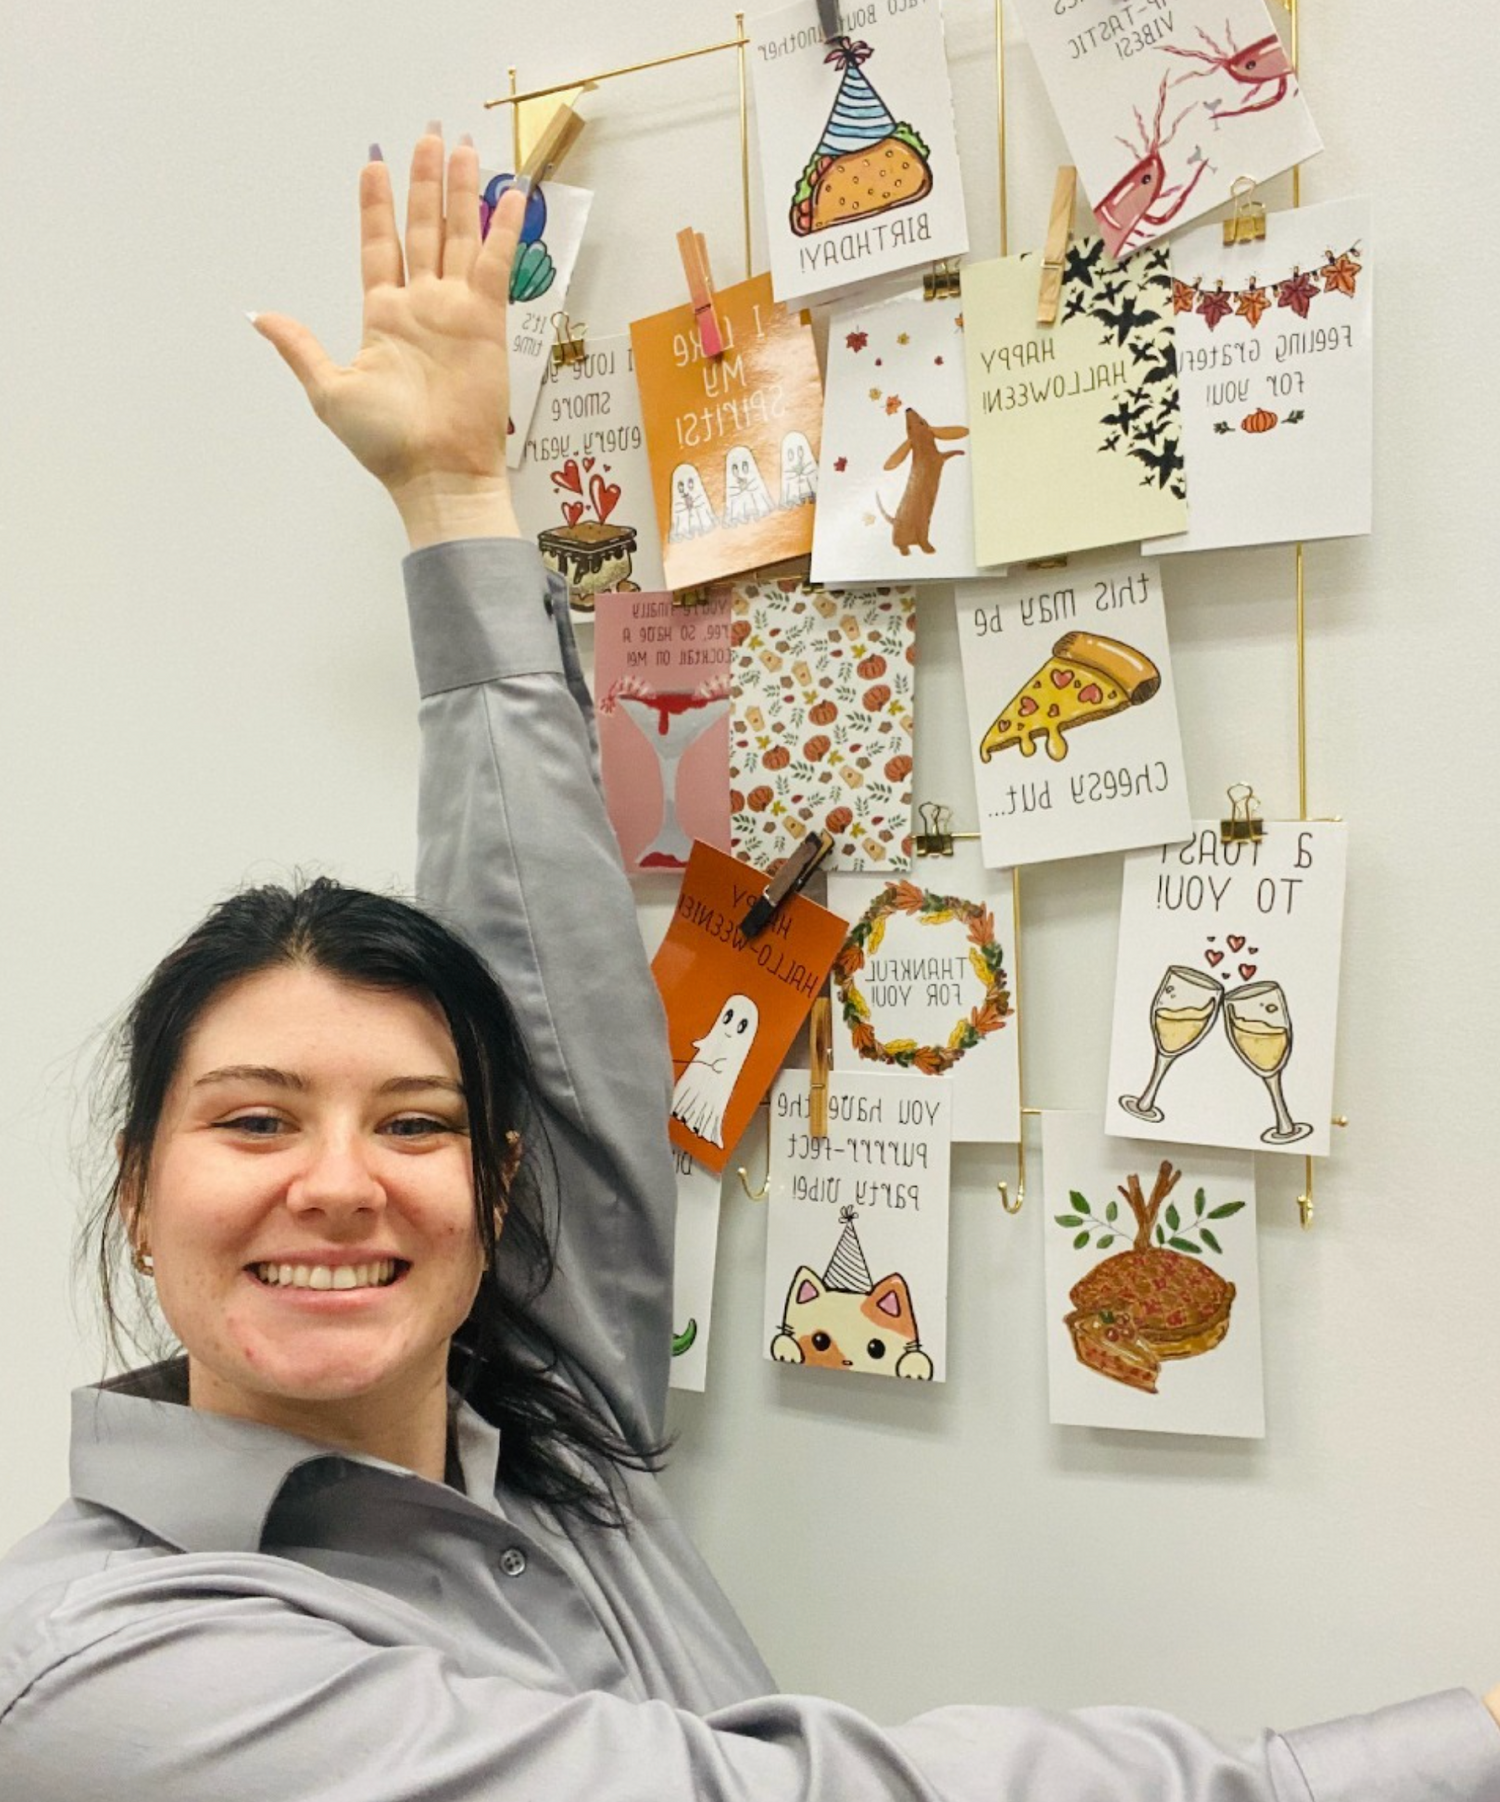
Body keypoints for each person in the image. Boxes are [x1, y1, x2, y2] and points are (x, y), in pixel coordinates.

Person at [0, 130, 1495, 1801]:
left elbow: (555, 1015)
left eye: (417, 1126)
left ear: (500, 1197)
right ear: (136, 1187)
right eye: (257, 1122)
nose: (343, 1182)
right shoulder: (108, 1668)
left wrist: (455, 503)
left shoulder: (548, 1440)